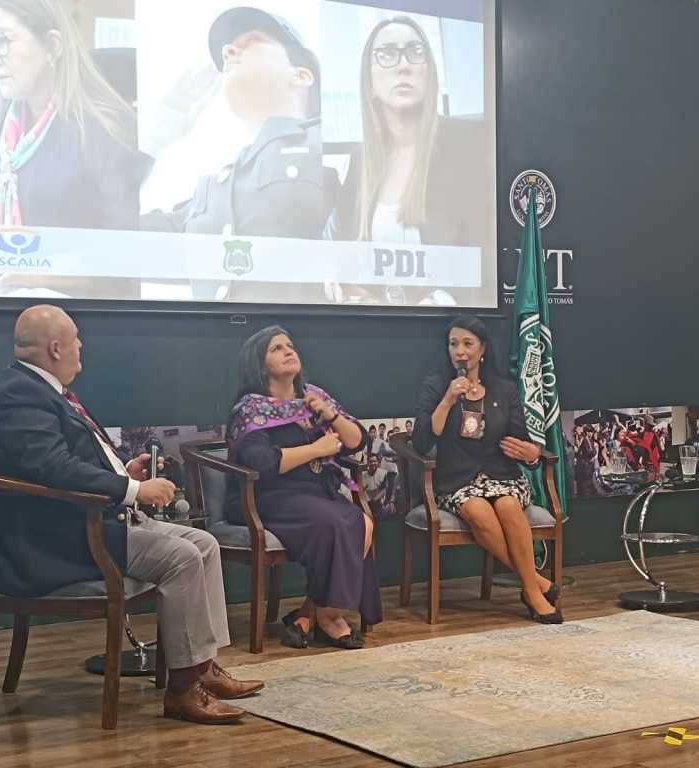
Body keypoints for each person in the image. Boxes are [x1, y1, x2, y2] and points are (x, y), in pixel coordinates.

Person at [0, 305, 262, 724]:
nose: (81, 346)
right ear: (55, 348)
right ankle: (183, 691)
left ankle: (202, 666)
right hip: (51, 542)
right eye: (75, 339)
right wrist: (133, 491)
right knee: (182, 557)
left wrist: (122, 473)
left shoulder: (38, 390)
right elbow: (51, 467)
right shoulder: (19, 395)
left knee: (203, 543)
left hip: (77, 524)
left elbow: (58, 463)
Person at [142, 7, 332, 302]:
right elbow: (110, 237)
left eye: (252, 41)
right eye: (229, 49)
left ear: (301, 75)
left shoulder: (332, 149)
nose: (228, 51)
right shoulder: (213, 191)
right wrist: (154, 139)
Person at [226, 326, 382, 649]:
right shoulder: (251, 409)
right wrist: (316, 449)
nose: (288, 351)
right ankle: (331, 619)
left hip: (315, 492)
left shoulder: (313, 397)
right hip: (269, 495)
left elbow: (357, 441)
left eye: (290, 345)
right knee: (336, 522)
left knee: (363, 522)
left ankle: (311, 614)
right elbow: (262, 464)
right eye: (276, 348)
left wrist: (331, 415)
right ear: (260, 365)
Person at [0, 0, 142, 230]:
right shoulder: (2, 117)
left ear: (52, 46)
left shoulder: (103, 130)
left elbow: (120, 238)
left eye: (3, 40)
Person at [325, 15, 490, 305]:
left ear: (430, 73)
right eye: (387, 53)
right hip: (378, 323)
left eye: (415, 51)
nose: (403, 65)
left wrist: (441, 299)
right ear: (370, 83)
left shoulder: (472, 142)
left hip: (452, 322)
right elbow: (338, 252)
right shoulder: (360, 160)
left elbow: (488, 253)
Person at [413, 315, 562, 623]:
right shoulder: (436, 387)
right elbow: (423, 441)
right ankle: (534, 587)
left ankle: (531, 588)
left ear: (482, 350)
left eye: (468, 344)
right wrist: (448, 399)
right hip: (457, 480)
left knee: (508, 506)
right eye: (453, 344)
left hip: (502, 475)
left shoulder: (504, 390)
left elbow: (521, 440)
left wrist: (532, 453)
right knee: (478, 510)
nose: (460, 351)